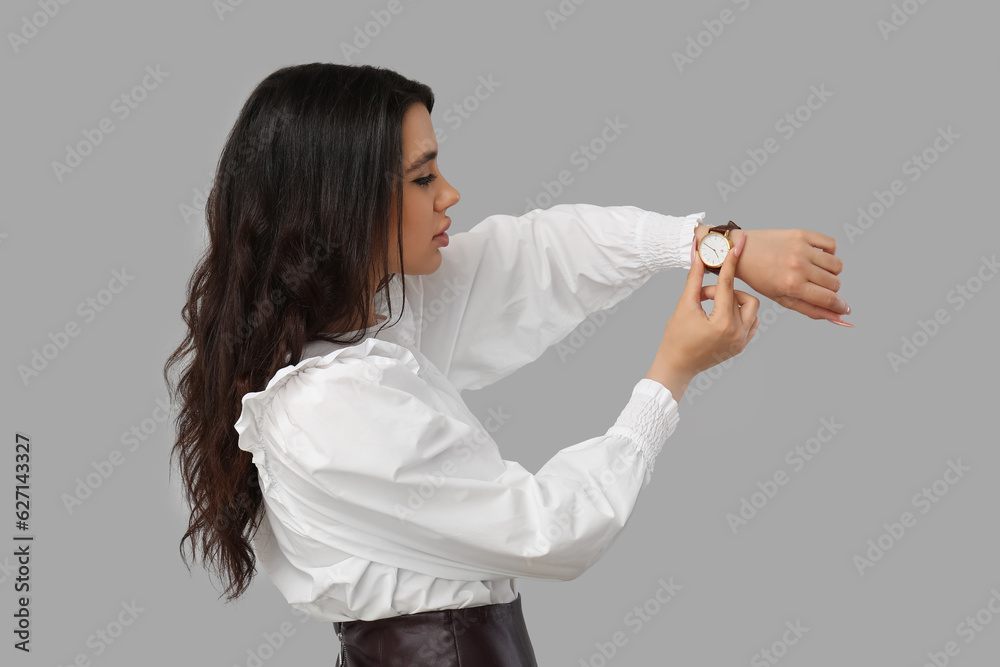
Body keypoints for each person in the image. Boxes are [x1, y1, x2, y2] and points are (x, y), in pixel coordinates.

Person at [164, 63, 850, 666]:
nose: (450, 194)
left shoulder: (365, 324)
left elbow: (543, 254)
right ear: (344, 206)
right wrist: (672, 372)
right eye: (423, 176)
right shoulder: (328, 408)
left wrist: (712, 244)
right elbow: (551, 530)